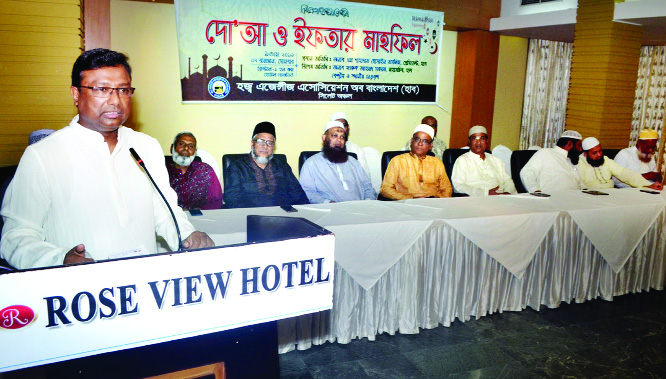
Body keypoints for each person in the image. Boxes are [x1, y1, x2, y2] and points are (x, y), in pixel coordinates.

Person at [0, 48, 213, 270]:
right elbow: (16, 236)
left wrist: (189, 236)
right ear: (75, 94)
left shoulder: (146, 146)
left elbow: (165, 211)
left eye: (123, 90)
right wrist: (59, 258)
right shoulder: (43, 155)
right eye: (101, 89)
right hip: (80, 293)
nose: (115, 101)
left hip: (145, 282)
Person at [224, 122, 309, 208]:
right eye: (260, 141)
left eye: (270, 143)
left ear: (273, 147)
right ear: (252, 143)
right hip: (250, 216)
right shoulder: (237, 167)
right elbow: (232, 199)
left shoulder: (282, 165)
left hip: (284, 215)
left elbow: (297, 193)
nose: (265, 146)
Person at [299, 120, 376, 203]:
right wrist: (327, 203)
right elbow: (307, 192)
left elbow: (368, 186)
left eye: (342, 137)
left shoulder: (353, 162)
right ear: (324, 138)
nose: (339, 140)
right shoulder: (311, 164)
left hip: (360, 209)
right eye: (334, 136)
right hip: (331, 211)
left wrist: (368, 201)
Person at [380, 124, 452, 199]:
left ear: (430, 145)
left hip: (433, 203)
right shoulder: (397, 161)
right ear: (411, 141)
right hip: (406, 204)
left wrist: (436, 198)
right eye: (417, 139)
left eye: (425, 141)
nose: (420, 144)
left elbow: (447, 189)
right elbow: (385, 189)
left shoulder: (437, 163)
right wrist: (410, 199)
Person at [451, 126, 516, 196]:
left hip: (501, 197)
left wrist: (508, 192)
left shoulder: (496, 160)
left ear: (487, 141)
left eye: (482, 138)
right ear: (469, 141)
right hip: (477, 200)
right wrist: (485, 193)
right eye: (474, 138)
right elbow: (458, 186)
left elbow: (508, 180)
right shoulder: (462, 160)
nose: (478, 142)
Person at [578, 137, 663, 191]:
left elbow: (624, 173)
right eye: (595, 153)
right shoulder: (579, 164)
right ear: (585, 154)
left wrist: (649, 185)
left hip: (611, 194)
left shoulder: (605, 160)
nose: (599, 155)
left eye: (600, 151)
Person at [166, 132, 223, 210]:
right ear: (172, 148)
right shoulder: (161, 171)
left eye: (191, 146)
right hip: (170, 218)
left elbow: (216, 201)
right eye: (181, 144)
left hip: (201, 218)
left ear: (195, 152)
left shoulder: (206, 171)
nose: (186, 148)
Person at [520, 130, 584, 193]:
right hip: (551, 199)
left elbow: (579, 182)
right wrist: (535, 190)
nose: (580, 149)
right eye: (579, 145)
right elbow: (527, 172)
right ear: (570, 144)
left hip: (574, 198)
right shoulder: (546, 153)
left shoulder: (571, 160)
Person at [329, 111, 370, 176]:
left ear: (348, 128)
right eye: (337, 126)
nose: (341, 129)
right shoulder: (325, 152)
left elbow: (365, 176)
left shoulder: (357, 150)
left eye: (344, 125)